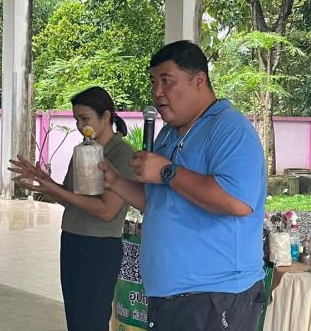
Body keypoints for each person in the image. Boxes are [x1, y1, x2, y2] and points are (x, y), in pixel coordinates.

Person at [99, 40, 267, 331]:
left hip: (215, 297)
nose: (157, 92)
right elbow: (158, 202)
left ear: (199, 80)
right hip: (168, 294)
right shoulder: (167, 134)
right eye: (153, 82)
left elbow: (236, 201)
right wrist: (115, 182)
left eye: (167, 80)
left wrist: (166, 171)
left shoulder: (230, 129)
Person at [8, 86, 135, 331]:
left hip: (99, 247)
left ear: (106, 116)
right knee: (75, 318)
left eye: (85, 118)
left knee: (92, 319)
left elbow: (107, 211)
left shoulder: (123, 153)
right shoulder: (82, 150)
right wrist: (44, 181)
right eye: (76, 119)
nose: (79, 125)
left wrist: (56, 190)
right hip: (72, 240)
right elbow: (70, 198)